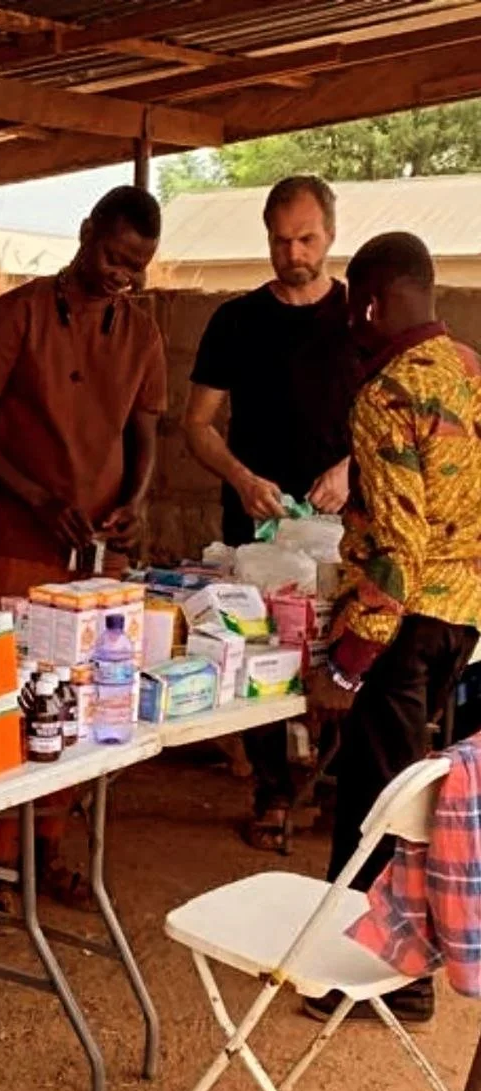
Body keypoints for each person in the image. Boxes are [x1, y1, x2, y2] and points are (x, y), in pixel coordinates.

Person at [0, 185, 166, 921]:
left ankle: (48, 850)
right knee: (13, 696)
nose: (121, 276)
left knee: (82, 698)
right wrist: (34, 497)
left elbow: (145, 434)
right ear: (84, 234)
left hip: (99, 550)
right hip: (21, 539)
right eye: (112, 257)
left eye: (135, 267)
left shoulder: (140, 330)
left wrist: (135, 501)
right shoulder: (15, 316)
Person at [305, 232, 481, 1025]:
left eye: (354, 310)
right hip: (463, 618)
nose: (353, 327)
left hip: (404, 625)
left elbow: (397, 554)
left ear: (371, 302)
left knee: (376, 802)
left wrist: (344, 666)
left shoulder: (385, 395)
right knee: (413, 796)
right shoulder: (471, 372)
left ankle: (381, 978)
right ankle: (401, 964)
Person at [183, 176, 364, 852]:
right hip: (256, 527)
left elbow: (396, 423)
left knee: (347, 650)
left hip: (345, 527)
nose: (293, 253)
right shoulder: (236, 321)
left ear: (331, 234)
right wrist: (239, 475)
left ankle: (337, 784)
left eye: (307, 239)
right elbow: (196, 425)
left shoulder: (361, 319)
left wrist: (353, 469)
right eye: (281, 240)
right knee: (256, 651)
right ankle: (272, 790)